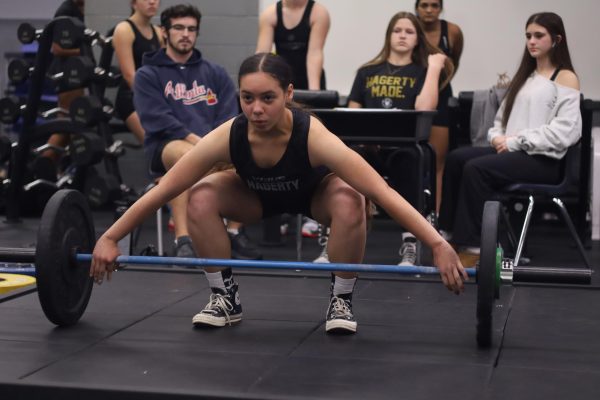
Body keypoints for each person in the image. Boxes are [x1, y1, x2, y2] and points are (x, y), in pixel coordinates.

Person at [90, 52, 467, 334]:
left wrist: (437, 244)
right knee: (200, 193)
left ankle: (341, 299)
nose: (256, 109)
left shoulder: (314, 136)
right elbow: (167, 189)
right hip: (254, 198)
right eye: (247, 98)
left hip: (313, 196)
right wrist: (110, 236)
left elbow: (383, 192)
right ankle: (224, 297)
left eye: (267, 98)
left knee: (354, 197)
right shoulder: (229, 134)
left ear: (288, 93)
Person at [437, 12, 581, 266]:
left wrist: (515, 142)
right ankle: (446, 236)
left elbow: (566, 132)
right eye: (528, 36)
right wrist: (496, 138)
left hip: (544, 161)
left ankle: (474, 247)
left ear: (556, 39)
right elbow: (499, 121)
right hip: (513, 153)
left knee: (476, 169)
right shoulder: (525, 78)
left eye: (539, 36)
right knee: (457, 157)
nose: (532, 41)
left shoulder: (565, 77)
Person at [133, 4, 261, 260]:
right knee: (187, 159)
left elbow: (229, 118)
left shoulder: (215, 73)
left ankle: (233, 233)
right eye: (178, 28)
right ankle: (184, 240)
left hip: (212, 146)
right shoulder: (148, 74)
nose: (185, 34)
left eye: (191, 29)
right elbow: (158, 120)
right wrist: (202, 146)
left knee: (249, 157)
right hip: (167, 146)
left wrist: (213, 147)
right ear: (164, 32)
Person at [340, 11, 453, 266]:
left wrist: (434, 68)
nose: (402, 36)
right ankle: (335, 239)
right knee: (345, 157)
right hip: (369, 147)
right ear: (389, 36)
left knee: (409, 158)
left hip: (403, 148)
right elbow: (352, 112)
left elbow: (424, 109)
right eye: (397, 31)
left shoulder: (422, 71)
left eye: (409, 32)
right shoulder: (367, 71)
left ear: (417, 39)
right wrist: (364, 137)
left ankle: (410, 241)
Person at [415, 0, 463, 215]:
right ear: (416, 7)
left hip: (442, 95)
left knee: (437, 161)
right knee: (412, 159)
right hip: (413, 94)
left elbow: (454, 63)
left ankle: (435, 216)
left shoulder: (452, 31)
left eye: (434, 5)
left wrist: (437, 83)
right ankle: (412, 213)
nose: (429, 10)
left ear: (440, 8)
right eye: (424, 5)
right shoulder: (409, 27)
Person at [40, 0, 86, 174]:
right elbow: (57, 48)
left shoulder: (84, 9)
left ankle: (49, 170)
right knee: (69, 123)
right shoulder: (66, 10)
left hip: (78, 73)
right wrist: (87, 52)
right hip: (66, 74)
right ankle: (44, 168)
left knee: (68, 127)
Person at [112, 0, 163, 145]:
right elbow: (129, 75)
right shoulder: (124, 29)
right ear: (134, 3)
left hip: (153, 97)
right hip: (131, 99)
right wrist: (154, 102)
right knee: (156, 146)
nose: (152, 2)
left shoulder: (158, 32)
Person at [256, 0, 330, 90]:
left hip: (309, 79)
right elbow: (263, 55)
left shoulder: (319, 13)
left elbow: (314, 53)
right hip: (282, 79)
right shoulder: (270, 15)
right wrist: (259, 85)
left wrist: (314, 91)